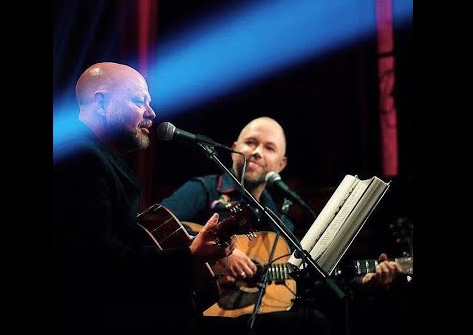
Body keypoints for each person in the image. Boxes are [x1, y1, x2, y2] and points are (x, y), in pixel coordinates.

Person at [160, 116, 407, 335]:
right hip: (193, 307)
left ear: (281, 164)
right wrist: (220, 251)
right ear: (234, 148)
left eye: (269, 148)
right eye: (250, 143)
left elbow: (305, 278)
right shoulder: (202, 189)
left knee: (314, 321)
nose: (257, 152)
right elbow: (157, 226)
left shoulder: (279, 222)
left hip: (242, 314)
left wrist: (362, 282)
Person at [52, 62, 237, 335]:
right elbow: (102, 265)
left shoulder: (95, 159)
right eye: (140, 101)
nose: (151, 112)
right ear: (101, 102)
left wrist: (187, 249)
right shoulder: (81, 160)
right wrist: (188, 256)